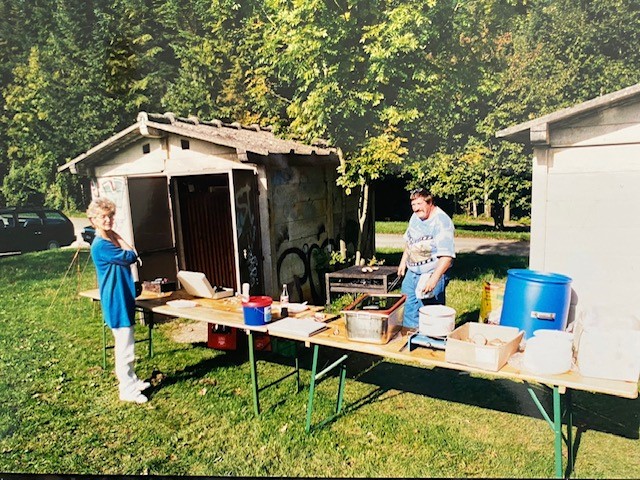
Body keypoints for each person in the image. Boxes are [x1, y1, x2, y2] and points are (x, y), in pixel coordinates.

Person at [87, 197, 150, 404]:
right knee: (125, 348)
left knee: (127, 343)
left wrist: (115, 235)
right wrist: (118, 238)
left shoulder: (108, 239)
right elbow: (130, 256)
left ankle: (132, 380)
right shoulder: (101, 245)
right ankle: (127, 390)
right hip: (116, 301)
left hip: (123, 297)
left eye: (111, 216)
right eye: (103, 217)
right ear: (93, 220)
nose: (108, 220)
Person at [397, 188, 455, 329]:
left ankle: (431, 342)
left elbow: (446, 257)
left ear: (430, 203)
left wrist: (433, 280)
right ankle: (410, 337)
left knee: (430, 312)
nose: (416, 209)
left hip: (431, 272)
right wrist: (403, 262)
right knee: (408, 304)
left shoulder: (442, 222)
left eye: (419, 204)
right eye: (413, 205)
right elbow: (410, 242)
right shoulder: (415, 217)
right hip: (413, 272)